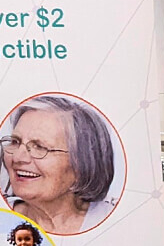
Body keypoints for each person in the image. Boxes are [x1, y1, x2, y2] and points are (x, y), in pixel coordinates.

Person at [1, 95, 116, 234]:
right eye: (15, 142)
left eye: (40, 147)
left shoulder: (116, 223)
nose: (18, 157)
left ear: (81, 164)